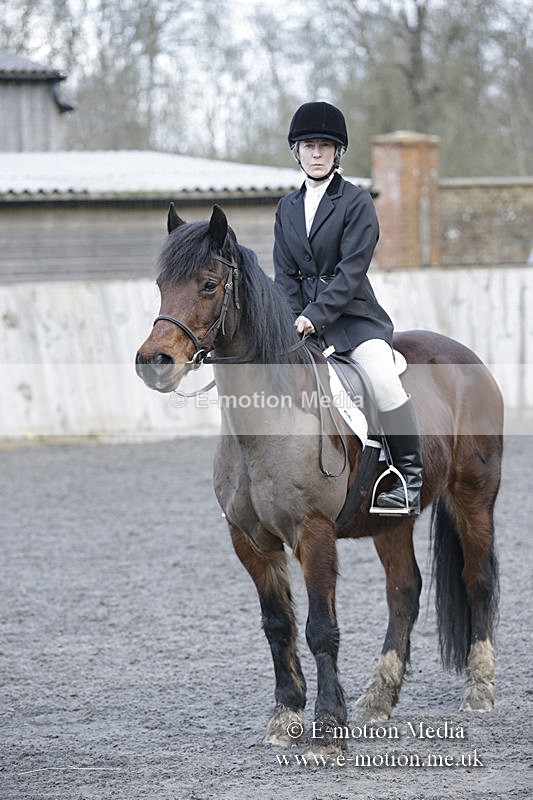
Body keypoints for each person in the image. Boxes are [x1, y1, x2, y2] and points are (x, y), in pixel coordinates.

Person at [273, 100, 422, 515]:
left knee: (383, 381)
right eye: (308, 146)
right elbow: (284, 274)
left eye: (325, 145)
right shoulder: (286, 208)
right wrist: (289, 320)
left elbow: (349, 273)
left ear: (338, 152)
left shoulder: (356, 202)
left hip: (353, 322)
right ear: (296, 151)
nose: (316, 153)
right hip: (300, 325)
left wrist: (313, 316)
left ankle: (406, 477)